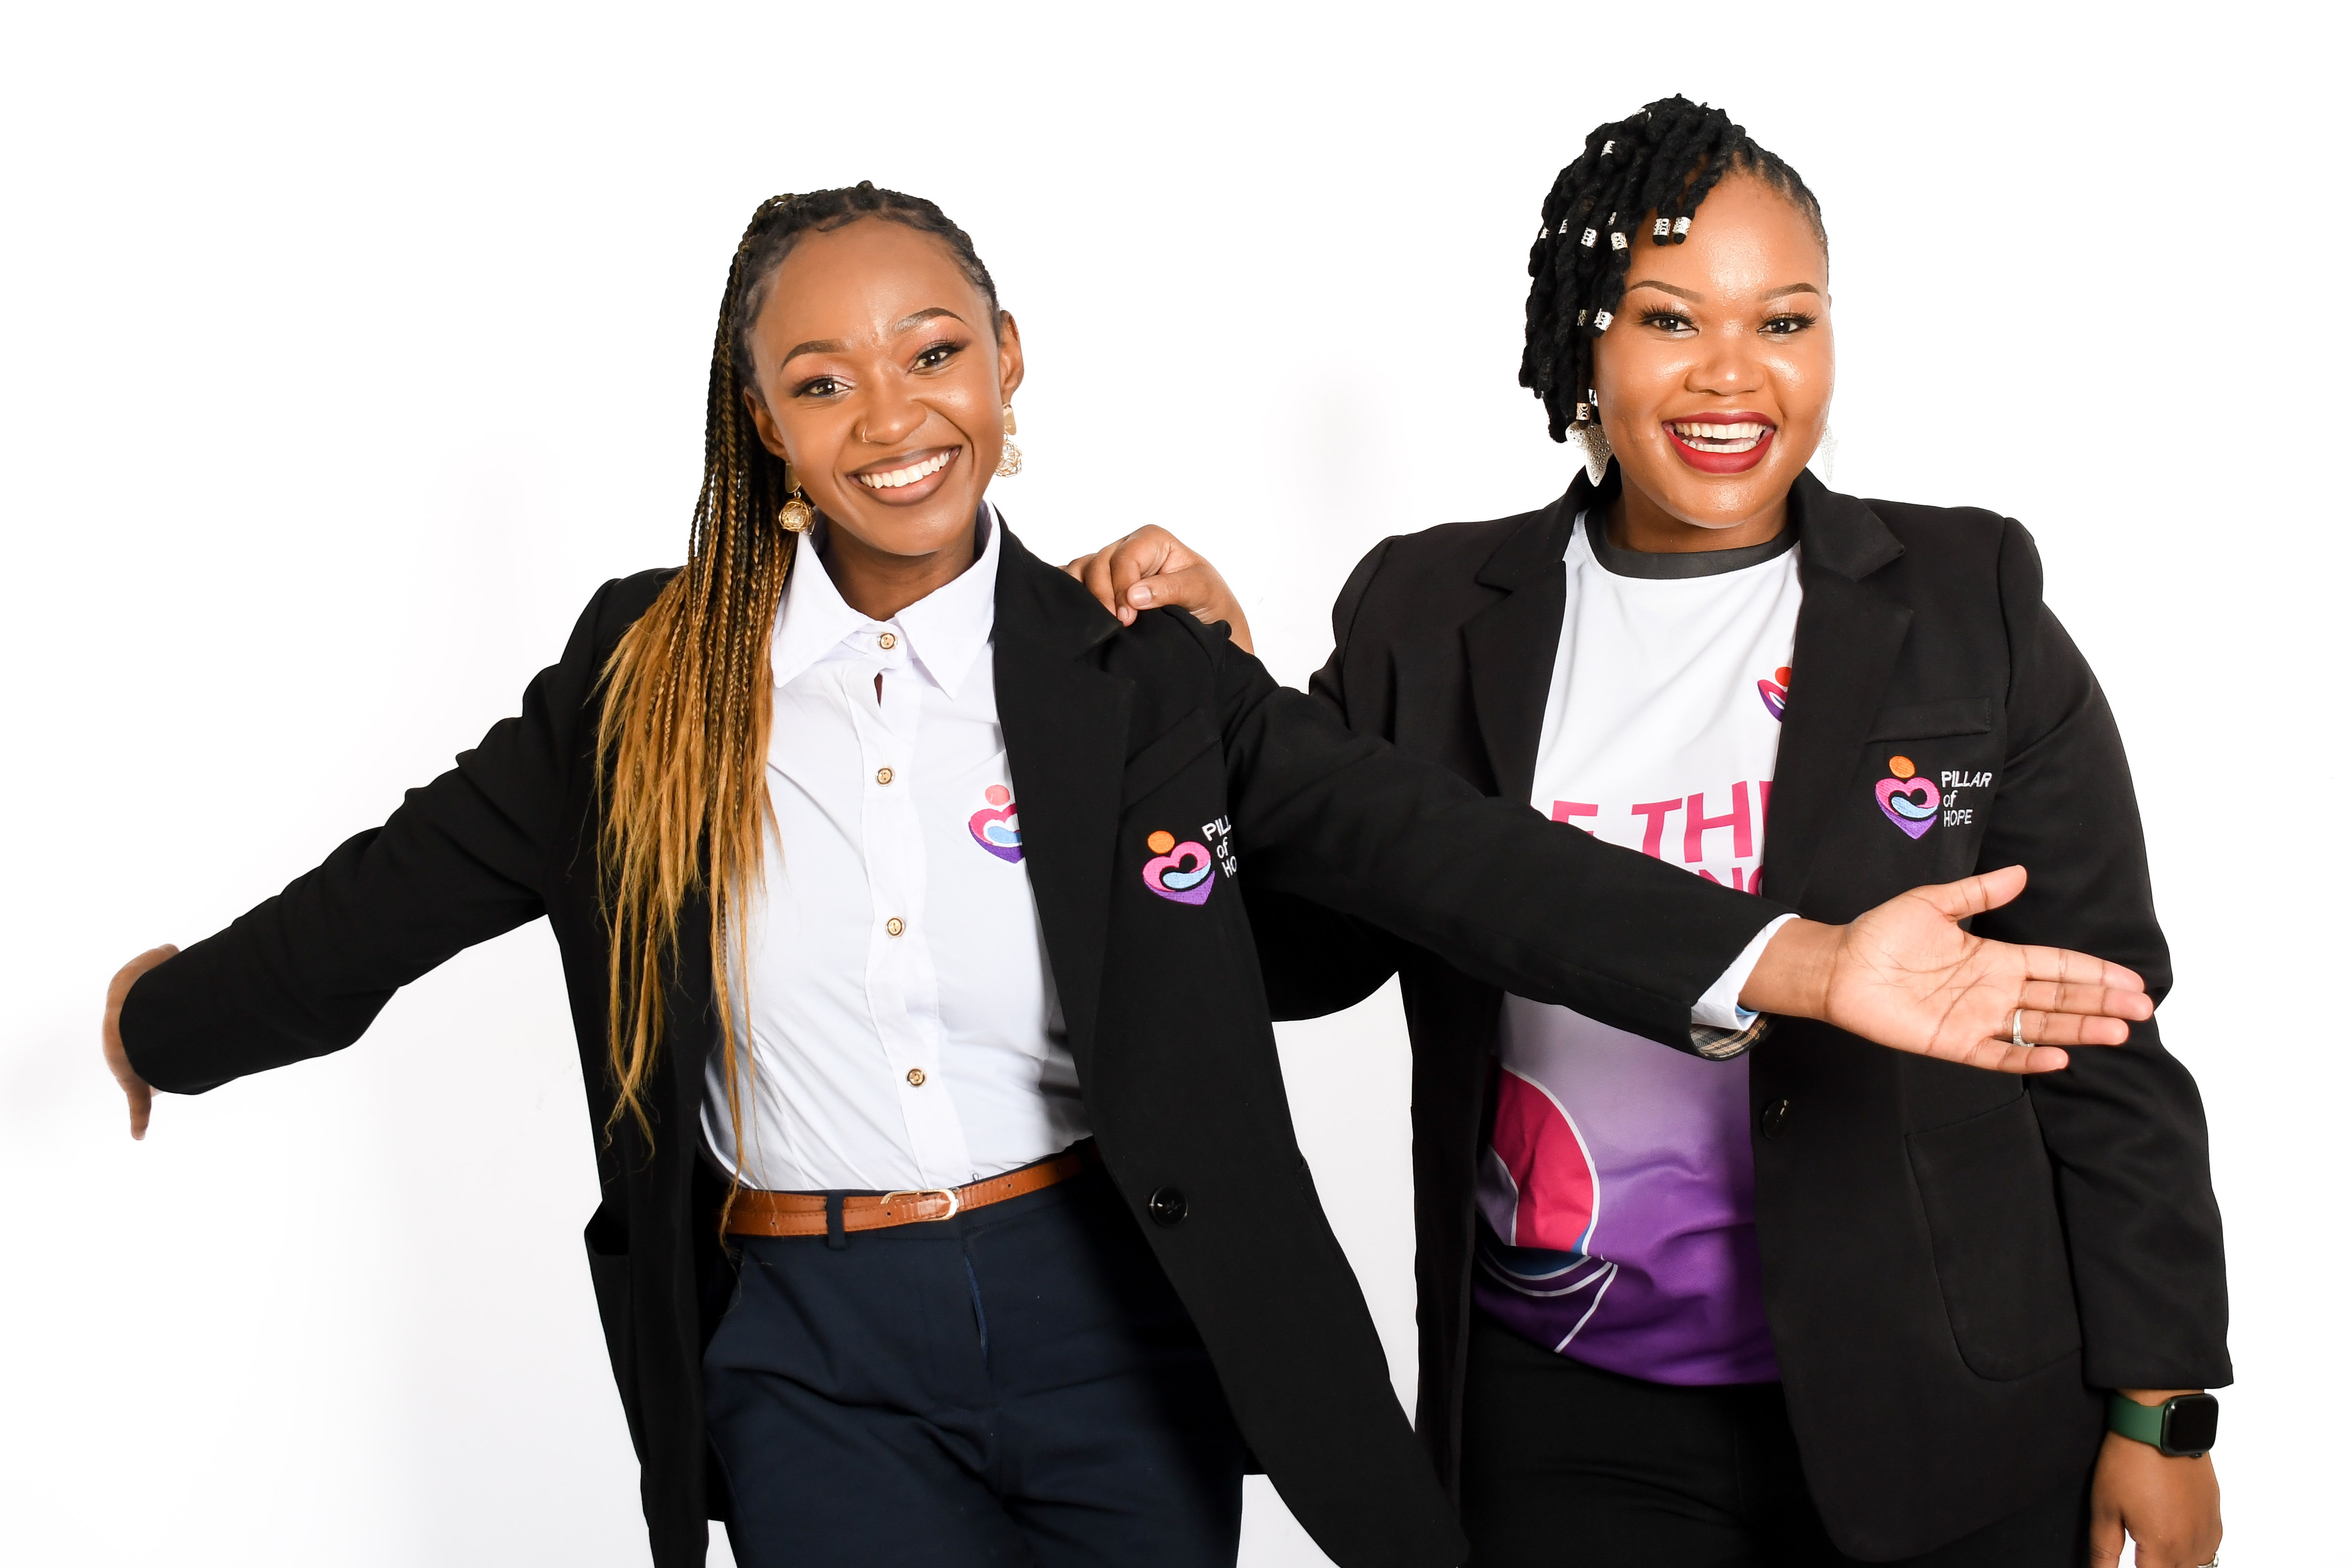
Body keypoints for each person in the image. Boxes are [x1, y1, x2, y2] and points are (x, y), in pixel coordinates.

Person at [102, 182, 2154, 1568]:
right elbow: (398, 894)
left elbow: (1463, 863)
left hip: (1113, 1315)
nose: (890, 417)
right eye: (821, 380)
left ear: (1008, 361)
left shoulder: (1137, 674)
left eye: (932, 352)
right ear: (763, 421)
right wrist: (165, 1020)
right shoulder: (647, 681)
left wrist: (1800, 962)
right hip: (810, 1343)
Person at [1068, 100, 2226, 1568]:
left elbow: (2100, 1026)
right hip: (1565, 1406)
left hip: (1938, 1395)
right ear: (1581, 346)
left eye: (1784, 321)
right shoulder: (1427, 613)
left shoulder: (1963, 597)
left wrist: (2161, 1408)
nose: (1732, 375)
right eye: (1668, 319)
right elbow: (1305, 959)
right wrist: (1224, 713)